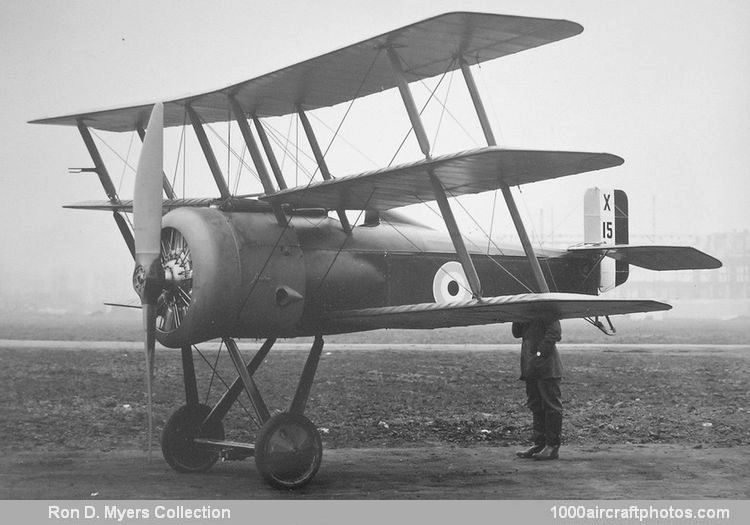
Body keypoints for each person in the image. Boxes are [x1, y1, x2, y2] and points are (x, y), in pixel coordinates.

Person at [512, 318, 563, 460]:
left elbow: (555, 332)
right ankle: (540, 444)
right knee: (536, 404)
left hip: (547, 367)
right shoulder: (526, 311)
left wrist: (540, 353)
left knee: (551, 405)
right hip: (531, 367)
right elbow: (516, 333)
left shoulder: (546, 308)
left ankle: (552, 446)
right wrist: (517, 316)